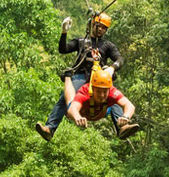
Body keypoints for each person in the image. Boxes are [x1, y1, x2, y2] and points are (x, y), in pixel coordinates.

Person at [35, 12, 124, 141]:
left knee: (113, 97)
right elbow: (63, 49)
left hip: (99, 79)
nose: (101, 29)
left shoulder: (108, 45)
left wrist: (112, 68)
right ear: (93, 24)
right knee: (64, 98)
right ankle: (50, 128)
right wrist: (64, 33)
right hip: (81, 76)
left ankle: (121, 127)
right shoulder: (81, 42)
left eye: (104, 28)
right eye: (99, 26)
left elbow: (120, 59)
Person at [67, 68, 139, 139]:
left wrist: (125, 117)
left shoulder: (112, 91)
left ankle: (123, 127)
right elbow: (72, 108)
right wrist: (77, 117)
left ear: (108, 89)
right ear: (93, 88)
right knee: (70, 102)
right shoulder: (85, 91)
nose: (102, 95)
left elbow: (129, 105)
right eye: (98, 91)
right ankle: (67, 78)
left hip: (102, 112)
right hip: (82, 114)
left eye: (105, 92)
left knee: (117, 100)